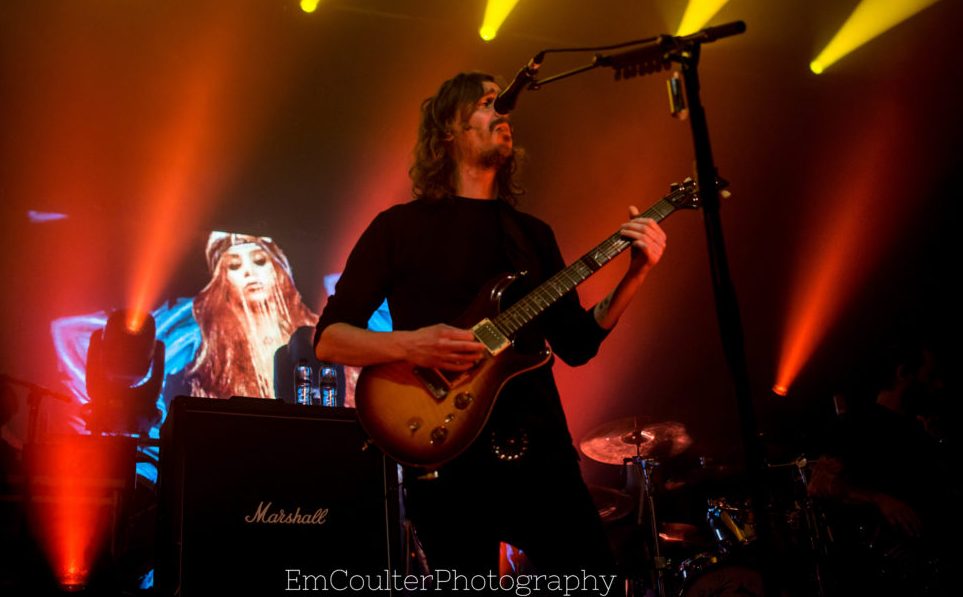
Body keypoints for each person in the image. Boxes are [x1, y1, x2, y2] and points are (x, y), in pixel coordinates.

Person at [315, 72, 666, 586]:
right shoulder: (398, 228)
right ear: (448, 133)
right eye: (486, 103)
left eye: (504, 106)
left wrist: (637, 272)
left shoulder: (531, 235)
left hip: (541, 453)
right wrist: (414, 343)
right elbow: (328, 338)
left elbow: (577, 343)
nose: (504, 113)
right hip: (447, 455)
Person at [807, 340, 957, 595]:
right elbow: (818, 484)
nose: (939, 385)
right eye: (930, 376)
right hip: (886, 579)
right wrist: (878, 499)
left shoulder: (924, 432)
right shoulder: (860, 426)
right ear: (903, 374)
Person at [186, 232, 319, 400]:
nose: (250, 273)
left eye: (260, 261)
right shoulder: (212, 355)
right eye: (234, 265)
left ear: (278, 269)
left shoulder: (312, 333)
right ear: (222, 280)